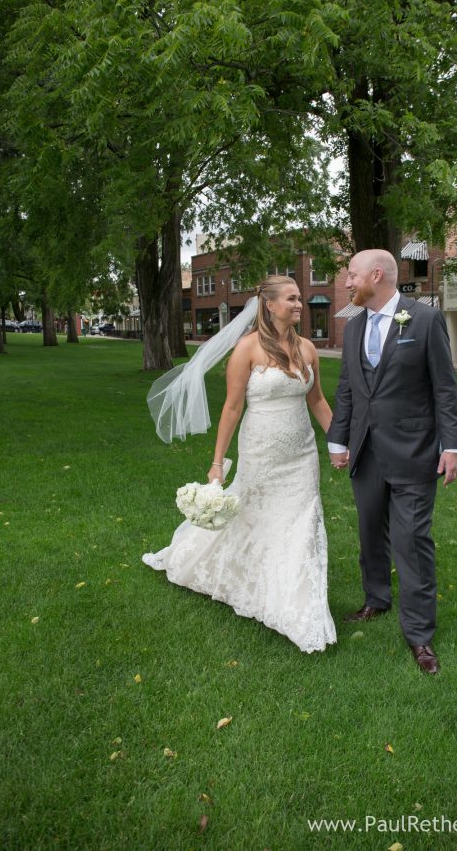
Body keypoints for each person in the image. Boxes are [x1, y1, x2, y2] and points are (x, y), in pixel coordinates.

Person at [143, 275, 337, 654]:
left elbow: (317, 400)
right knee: (255, 514)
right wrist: (217, 463)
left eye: (300, 298)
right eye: (292, 299)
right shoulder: (247, 349)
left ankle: (295, 596)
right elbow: (232, 408)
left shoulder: (307, 348)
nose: (299, 304)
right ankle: (237, 571)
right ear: (270, 305)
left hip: (301, 453)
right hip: (261, 449)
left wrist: (339, 441)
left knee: (302, 518)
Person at [327, 249, 457, 674]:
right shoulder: (354, 326)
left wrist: (453, 445)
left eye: (351, 275)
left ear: (376, 275)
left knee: (411, 540)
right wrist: (338, 439)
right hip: (365, 450)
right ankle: (376, 599)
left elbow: (445, 387)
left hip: (414, 451)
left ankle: (419, 634)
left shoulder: (424, 319)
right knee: (370, 532)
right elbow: (349, 388)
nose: (347, 283)